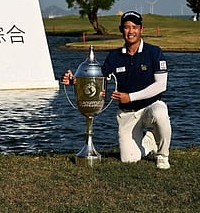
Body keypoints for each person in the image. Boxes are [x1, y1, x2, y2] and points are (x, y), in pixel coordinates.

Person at [62, 10, 171, 169]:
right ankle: (149, 142)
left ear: (141, 29)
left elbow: (161, 85)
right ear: (121, 30)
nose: (131, 31)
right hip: (126, 114)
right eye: (127, 27)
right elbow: (98, 80)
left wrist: (131, 96)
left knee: (160, 112)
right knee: (129, 160)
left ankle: (163, 156)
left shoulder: (154, 53)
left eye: (134, 27)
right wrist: (75, 81)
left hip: (149, 107)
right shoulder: (114, 56)